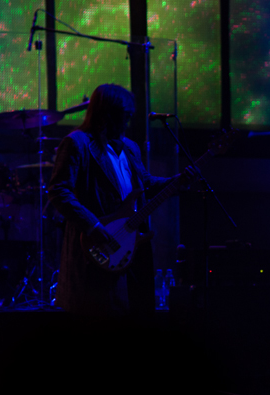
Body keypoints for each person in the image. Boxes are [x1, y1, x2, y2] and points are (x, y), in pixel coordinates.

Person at [48, 83, 190, 316]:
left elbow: (145, 184)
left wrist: (178, 181)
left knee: (134, 311)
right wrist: (94, 226)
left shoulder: (130, 147)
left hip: (130, 246)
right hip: (94, 248)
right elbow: (59, 191)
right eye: (125, 116)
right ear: (107, 114)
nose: (127, 123)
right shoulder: (77, 143)